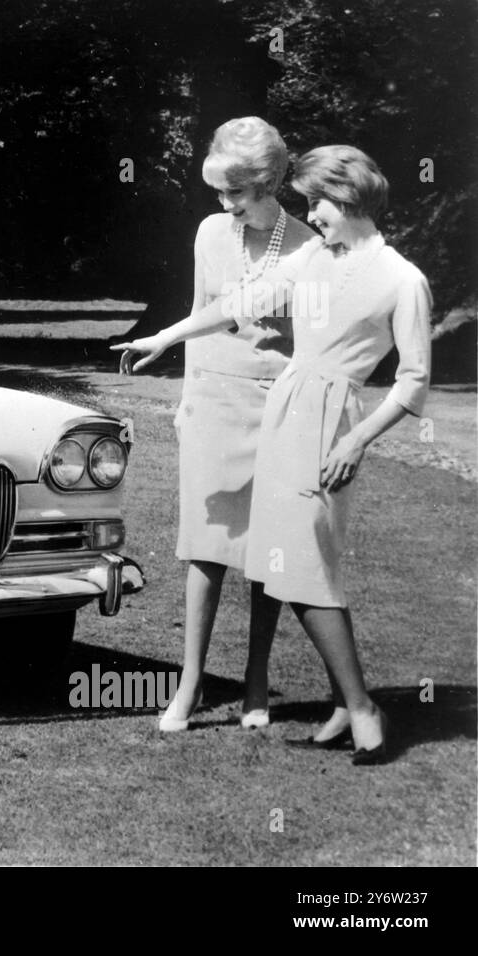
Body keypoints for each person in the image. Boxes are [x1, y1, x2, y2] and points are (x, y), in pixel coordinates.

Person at [113, 145, 431, 765]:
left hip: (333, 421)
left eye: (319, 203)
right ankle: (351, 705)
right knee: (291, 564)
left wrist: (355, 440)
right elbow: (236, 306)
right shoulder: (315, 257)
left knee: (306, 564)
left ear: (352, 199)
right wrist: (164, 337)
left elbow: (413, 382)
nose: (311, 215)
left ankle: (363, 709)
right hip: (283, 409)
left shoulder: (402, 279)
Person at [159, 117, 317, 733]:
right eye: (218, 193)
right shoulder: (208, 233)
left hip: (273, 406)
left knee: (265, 548)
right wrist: (183, 399)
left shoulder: (308, 243)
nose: (225, 205)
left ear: (269, 182)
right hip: (211, 400)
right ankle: (189, 684)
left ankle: (257, 681)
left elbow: (310, 343)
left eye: (235, 193)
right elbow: (202, 312)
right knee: (203, 546)